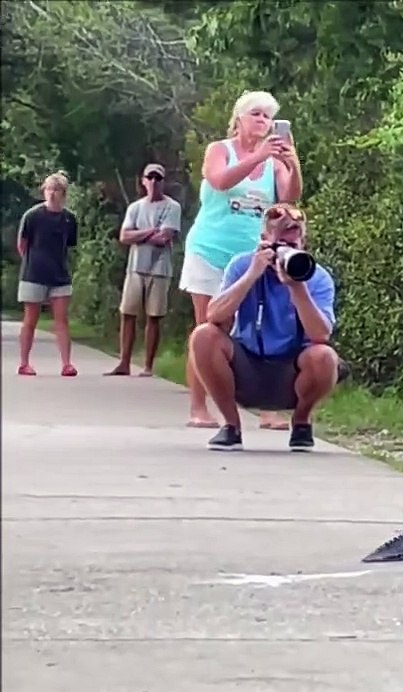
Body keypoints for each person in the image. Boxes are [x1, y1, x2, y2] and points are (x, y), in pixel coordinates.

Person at [179, 89, 303, 430]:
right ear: (239, 119)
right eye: (256, 114)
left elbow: (290, 199)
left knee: (257, 328)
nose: (263, 121)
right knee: (207, 327)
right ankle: (199, 407)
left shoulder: (273, 159)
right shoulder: (220, 150)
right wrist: (257, 157)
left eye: (268, 116)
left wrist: (292, 163)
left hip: (252, 256)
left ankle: (267, 408)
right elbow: (219, 181)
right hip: (210, 249)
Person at [188, 203, 344, 452]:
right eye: (279, 244)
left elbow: (320, 335)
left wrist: (297, 287)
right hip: (247, 366)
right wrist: (252, 274)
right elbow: (214, 316)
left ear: (303, 243)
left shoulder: (317, 277)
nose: (285, 252)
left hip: (292, 372)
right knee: (203, 336)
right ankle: (231, 426)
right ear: (263, 241)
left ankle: (302, 421)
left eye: (292, 246)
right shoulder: (242, 265)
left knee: (325, 357)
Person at [106, 163, 182, 377]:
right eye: (151, 177)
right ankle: (124, 363)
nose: (154, 182)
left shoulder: (172, 207)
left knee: (153, 316)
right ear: (143, 180)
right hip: (136, 267)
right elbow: (124, 236)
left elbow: (164, 237)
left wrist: (139, 235)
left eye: (158, 178)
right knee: (127, 313)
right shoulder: (136, 207)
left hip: (159, 268)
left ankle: (148, 366)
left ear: (163, 181)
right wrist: (150, 231)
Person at [14, 172, 79, 377]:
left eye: (56, 190)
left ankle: (66, 363)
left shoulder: (69, 218)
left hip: (59, 274)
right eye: (49, 189)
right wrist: (33, 262)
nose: (52, 194)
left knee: (61, 319)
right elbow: (22, 244)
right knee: (30, 319)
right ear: (44, 191)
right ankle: (24, 362)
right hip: (33, 273)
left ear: (63, 194)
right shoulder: (32, 216)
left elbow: (69, 245)